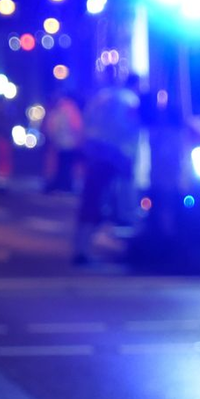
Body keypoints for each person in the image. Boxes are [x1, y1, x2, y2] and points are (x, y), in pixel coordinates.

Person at [73, 71, 141, 265]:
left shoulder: (100, 98)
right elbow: (131, 129)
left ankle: (81, 249)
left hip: (95, 151)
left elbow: (86, 122)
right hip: (116, 153)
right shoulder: (129, 99)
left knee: (91, 199)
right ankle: (125, 246)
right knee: (123, 201)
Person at [40, 91, 84, 194]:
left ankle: (62, 185)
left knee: (62, 165)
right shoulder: (70, 110)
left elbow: (50, 126)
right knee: (66, 165)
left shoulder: (58, 110)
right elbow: (77, 126)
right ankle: (65, 185)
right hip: (68, 142)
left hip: (60, 142)